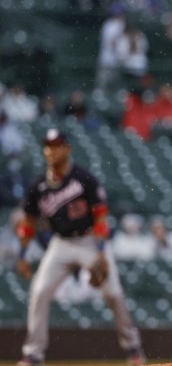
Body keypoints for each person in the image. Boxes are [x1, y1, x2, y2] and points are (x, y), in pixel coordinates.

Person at [15, 129, 145, 366]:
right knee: (39, 291)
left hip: (89, 240)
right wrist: (23, 254)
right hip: (61, 244)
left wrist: (101, 251)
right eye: (48, 146)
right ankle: (33, 355)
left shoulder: (84, 178)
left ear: (68, 148)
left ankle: (133, 348)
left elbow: (101, 217)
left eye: (56, 145)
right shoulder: (39, 186)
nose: (51, 150)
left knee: (113, 294)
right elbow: (28, 223)